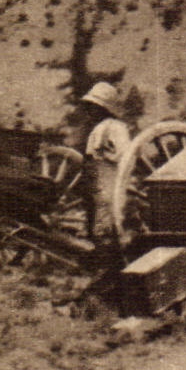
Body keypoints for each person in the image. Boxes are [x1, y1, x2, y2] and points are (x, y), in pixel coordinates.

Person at [79, 81, 132, 252]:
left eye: (94, 106)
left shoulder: (116, 128)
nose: (90, 111)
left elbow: (125, 156)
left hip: (110, 181)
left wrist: (107, 158)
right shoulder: (98, 128)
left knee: (107, 223)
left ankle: (113, 261)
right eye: (89, 106)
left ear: (104, 108)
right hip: (97, 183)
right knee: (95, 221)